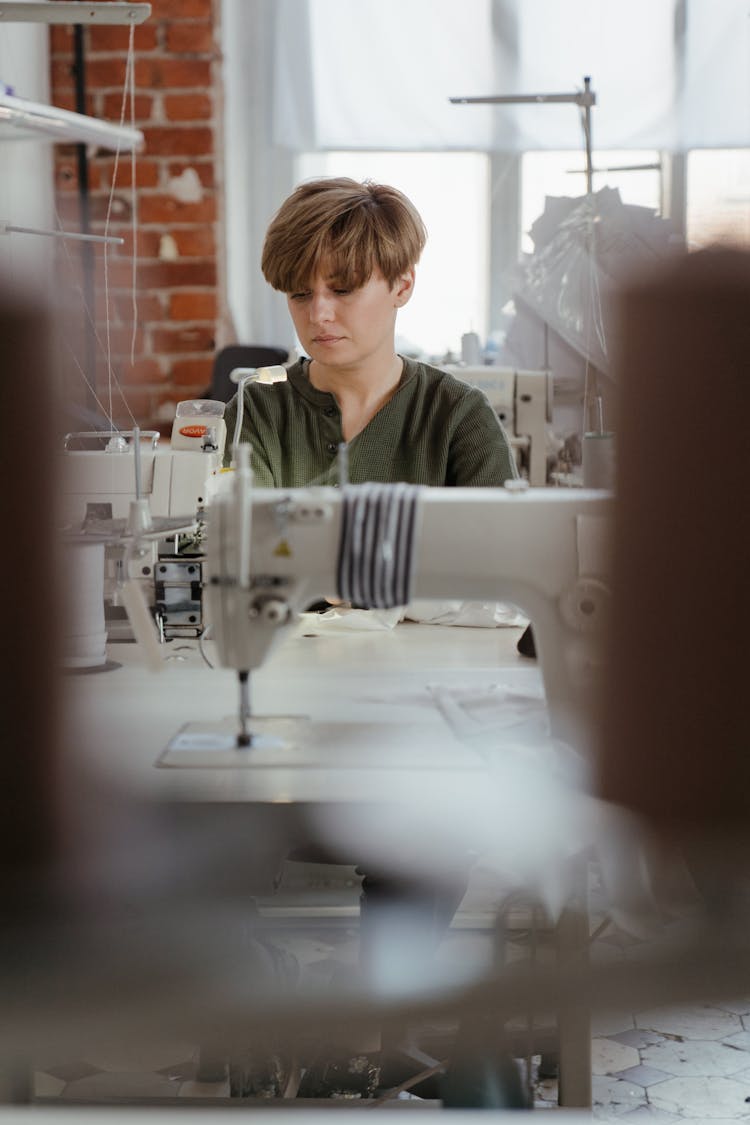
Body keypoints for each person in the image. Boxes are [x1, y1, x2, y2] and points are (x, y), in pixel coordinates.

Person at [223, 177, 517, 488]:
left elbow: (497, 536)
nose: (318, 314)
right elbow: (225, 532)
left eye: (343, 290)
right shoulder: (255, 411)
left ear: (402, 286)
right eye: (299, 294)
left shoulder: (459, 416)